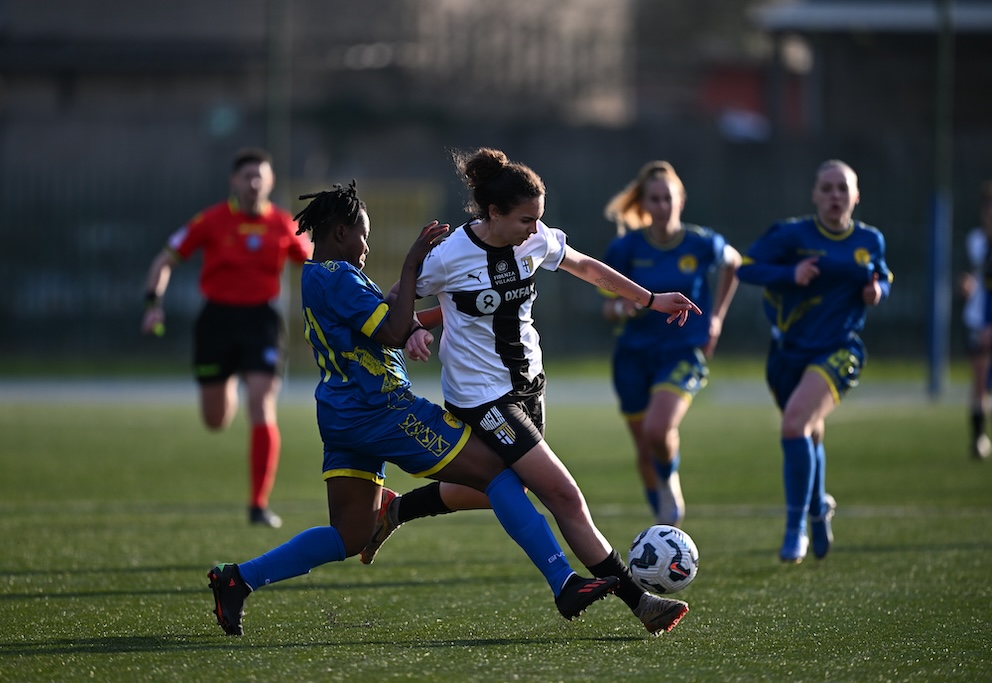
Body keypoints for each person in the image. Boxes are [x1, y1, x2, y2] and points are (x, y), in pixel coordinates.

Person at [206, 181, 621, 637]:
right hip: (383, 410)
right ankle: (563, 582)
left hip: (342, 416)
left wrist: (447, 310)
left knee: (350, 534)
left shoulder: (320, 276)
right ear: (341, 232)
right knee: (498, 473)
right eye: (363, 236)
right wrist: (412, 263)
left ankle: (239, 578)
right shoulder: (338, 277)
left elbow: (391, 322)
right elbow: (392, 328)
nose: (367, 246)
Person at [360, 148, 699, 636]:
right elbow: (395, 297)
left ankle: (393, 510)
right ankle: (638, 600)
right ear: (493, 213)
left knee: (502, 487)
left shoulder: (533, 240)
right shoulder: (451, 256)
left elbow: (588, 269)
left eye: (539, 218)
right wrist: (411, 327)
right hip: (481, 397)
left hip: (528, 387)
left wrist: (648, 299)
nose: (535, 229)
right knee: (562, 493)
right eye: (525, 219)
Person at [141, 147, 310, 528]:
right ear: (234, 181)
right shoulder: (212, 221)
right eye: (247, 176)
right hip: (216, 322)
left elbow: (315, 265)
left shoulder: (284, 225)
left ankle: (258, 504)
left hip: (262, 322)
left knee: (262, 405)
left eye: (260, 176)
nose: (253, 183)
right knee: (215, 420)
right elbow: (164, 260)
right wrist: (153, 304)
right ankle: (232, 380)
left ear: (270, 182)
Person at [737, 159, 893, 563]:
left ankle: (795, 530)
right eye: (827, 188)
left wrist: (878, 291)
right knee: (811, 433)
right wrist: (791, 273)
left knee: (794, 425)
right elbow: (747, 270)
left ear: (857, 195)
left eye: (843, 188)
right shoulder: (791, 234)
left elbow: (882, 277)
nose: (835, 196)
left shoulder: (870, 239)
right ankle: (819, 509)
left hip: (840, 350)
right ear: (814, 195)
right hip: (788, 353)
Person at [600, 160, 740, 525]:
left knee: (658, 430)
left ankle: (670, 482)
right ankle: (662, 519)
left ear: (681, 200)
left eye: (668, 198)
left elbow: (734, 263)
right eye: (654, 199)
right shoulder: (626, 248)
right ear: (643, 205)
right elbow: (608, 308)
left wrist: (717, 318)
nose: (662, 206)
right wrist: (623, 308)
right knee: (644, 447)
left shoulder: (702, 243)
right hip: (632, 357)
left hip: (681, 351)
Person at [961, 181, 992, 460]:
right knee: (979, 381)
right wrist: (967, 283)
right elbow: (969, 273)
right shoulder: (976, 241)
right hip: (978, 320)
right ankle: (979, 438)